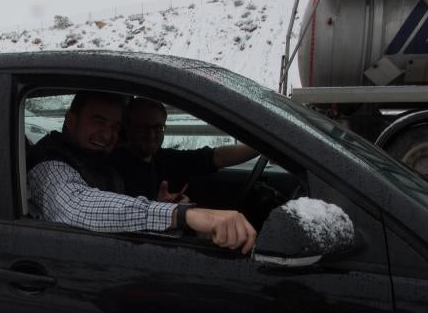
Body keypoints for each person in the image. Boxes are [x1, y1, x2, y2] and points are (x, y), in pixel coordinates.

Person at [27, 92, 257, 253]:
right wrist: (183, 215)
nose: (107, 135)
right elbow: (76, 206)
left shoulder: (97, 157)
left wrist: (159, 204)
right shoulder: (50, 163)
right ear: (70, 120)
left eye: (114, 127)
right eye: (98, 122)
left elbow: (116, 204)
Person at [112, 97, 259, 202]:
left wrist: (261, 147)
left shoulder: (161, 157)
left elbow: (216, 157)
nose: (151, 134)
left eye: (157, 127)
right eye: (143, 127)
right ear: (127, 127)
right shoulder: (113, 166)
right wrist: (157, 207)